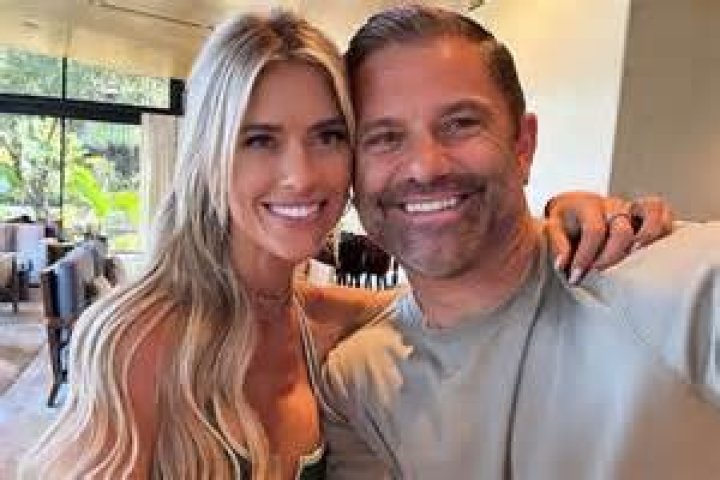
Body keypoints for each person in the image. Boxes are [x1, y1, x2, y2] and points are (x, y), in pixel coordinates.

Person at [19, 9, 672, 480]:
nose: (301, 175)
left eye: (329, 136)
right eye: (259, 139)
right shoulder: (141, 339)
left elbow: (461, 294)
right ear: (209, 157)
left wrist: (558, 223)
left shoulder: (327, 322)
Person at [322, 5, 720, 479]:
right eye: (384, 137)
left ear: (523, 145)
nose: (425, 167)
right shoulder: (357, 382)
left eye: (460, 123)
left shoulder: (671, 283)